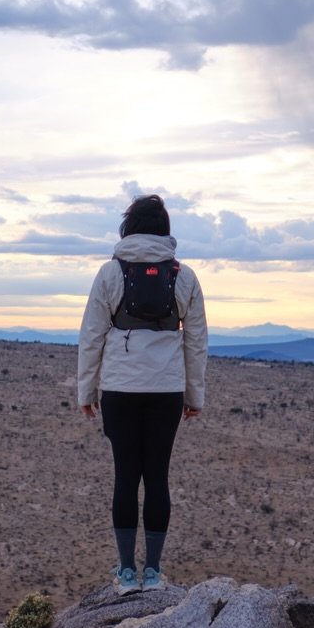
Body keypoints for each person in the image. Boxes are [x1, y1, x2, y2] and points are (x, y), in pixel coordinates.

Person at [76, 194, 208, 594]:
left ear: (128, 228)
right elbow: (196, 341)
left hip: (120, 389)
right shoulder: (184, 277)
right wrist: (193, 396)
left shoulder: (110, 274)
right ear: (165, 229)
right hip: (166, 390)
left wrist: (87, 388)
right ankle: (153, 573)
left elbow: (92, 335)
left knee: (125, 477)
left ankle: (125, 574)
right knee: (157, 477)